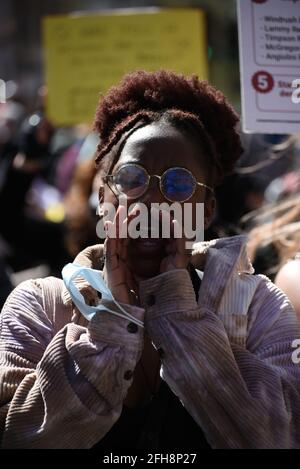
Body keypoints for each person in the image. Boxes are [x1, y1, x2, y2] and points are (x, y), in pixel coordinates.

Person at [1, 70, 300, 449]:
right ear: (104, 198)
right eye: (130, 180)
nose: (153, 202)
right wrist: (108, 329)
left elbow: (282, 436)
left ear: (206, 210)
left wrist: (178, 312)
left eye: (178, 185)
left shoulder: (258, 307)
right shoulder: (40, 306)